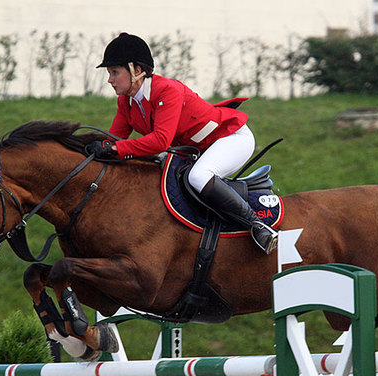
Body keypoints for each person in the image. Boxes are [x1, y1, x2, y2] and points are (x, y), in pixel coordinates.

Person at [86, 32, 278, 254]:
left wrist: (115, 149)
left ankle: (257, 226)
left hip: (231, 138)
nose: (109, 79)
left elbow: (160, 141)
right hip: (198, 148)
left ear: (136, 71)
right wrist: (93, 149)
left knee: (199, 176)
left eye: (114, 72)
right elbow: (114, 140)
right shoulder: (126, 102)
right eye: (110, 73)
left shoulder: (167, 90)